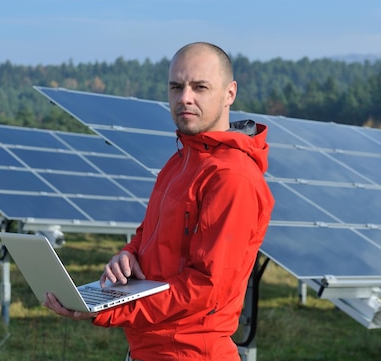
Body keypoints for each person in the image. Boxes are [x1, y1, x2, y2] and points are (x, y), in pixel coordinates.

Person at [43, 42, 274, 361]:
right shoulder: (179, 162)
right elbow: (148, 233)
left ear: (229, 93)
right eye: (176, 87)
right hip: (151, 349)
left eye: (200, 87)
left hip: (190, 353)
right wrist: (127, 255)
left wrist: (108, 309)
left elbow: (206, 289)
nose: (185, 98)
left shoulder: (232, 178)